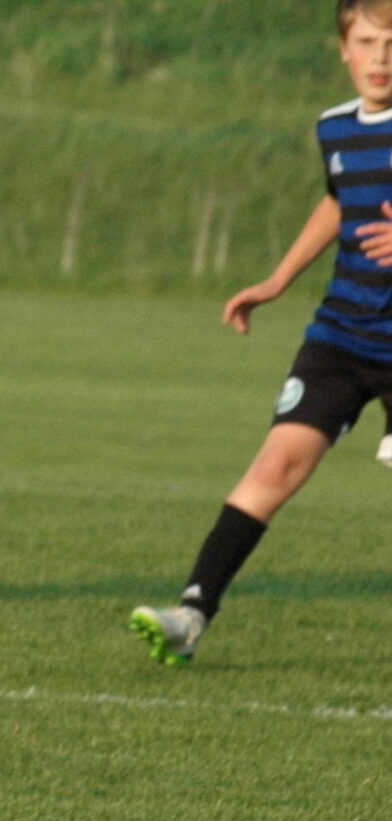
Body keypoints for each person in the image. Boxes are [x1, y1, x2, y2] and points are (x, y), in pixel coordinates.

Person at [133, 0, 392, 665]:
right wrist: (277, 280)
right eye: (368, 41)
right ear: (344, 49)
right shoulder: (334, 128)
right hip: (342, 334)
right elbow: (339, 201)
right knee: (274, 465)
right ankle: (191, 614)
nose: (381, 56)